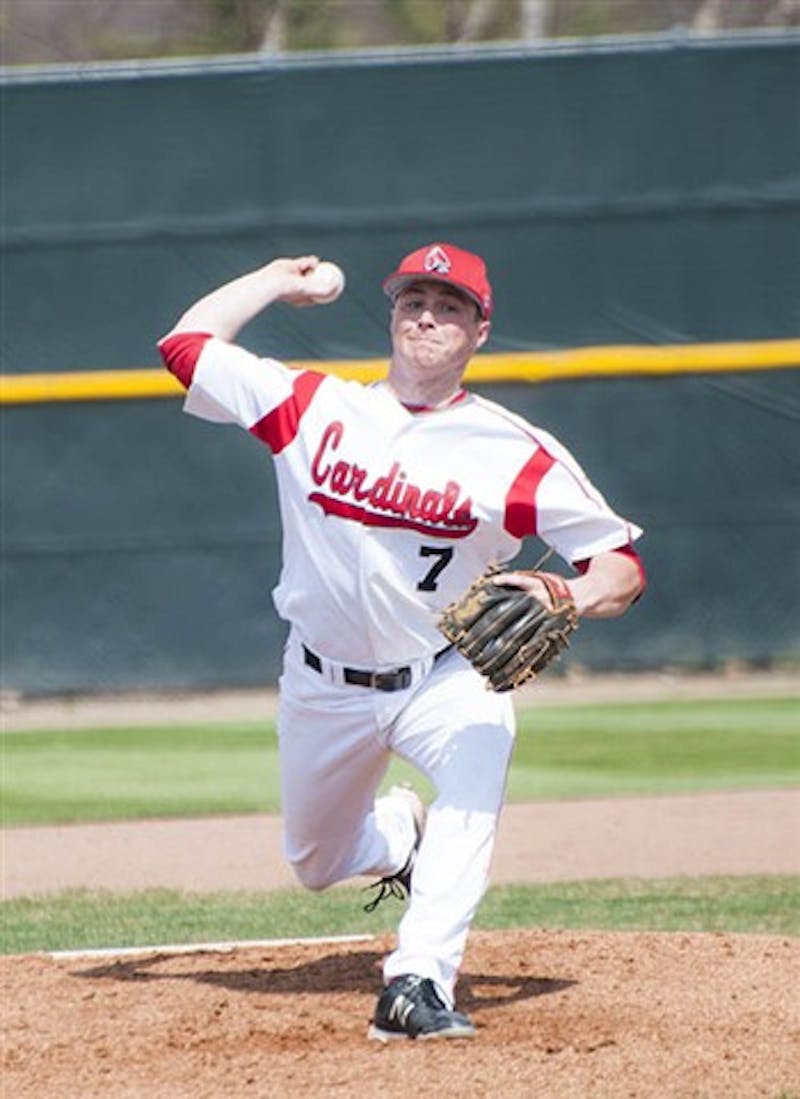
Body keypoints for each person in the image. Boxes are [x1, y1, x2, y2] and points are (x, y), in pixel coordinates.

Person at [158, 242, 645, 1042]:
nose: (428, 316)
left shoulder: (514, 451)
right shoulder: (312, 406)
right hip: (322, 681)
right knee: (315, 861)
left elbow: (620, 564)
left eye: (449, 306)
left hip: (442, 674)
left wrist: (571, 591)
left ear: (480, 331)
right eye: (414, 301)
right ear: (391, 316)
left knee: (479, 766)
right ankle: (395, 836)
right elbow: (185, 347)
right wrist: (277, 282)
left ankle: (417, 980)